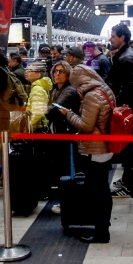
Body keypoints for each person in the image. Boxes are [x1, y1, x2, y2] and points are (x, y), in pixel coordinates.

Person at [49, 64, 116, 243]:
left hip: (95, 148)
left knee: (98, 190)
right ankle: (103, 228)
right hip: (104, 146)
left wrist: (68, 114)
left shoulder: (91, 96)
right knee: (102, 189)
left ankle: (101, 231)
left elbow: (85, 126)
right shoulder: (104, 90)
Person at [105, 24, 133, 197]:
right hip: (129, 105)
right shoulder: (124, 55)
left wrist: (119, 104)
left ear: (122, 38)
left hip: (127, 106)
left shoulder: (126, 58)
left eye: (113, 36)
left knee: (127, 146)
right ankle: (129, 180)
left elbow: (127, 86)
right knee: (127, 145)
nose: (111, 39)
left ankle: (129, 183)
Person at [45, 61, 82, 214]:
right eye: (55, 71)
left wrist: (41, 109)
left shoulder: (69, 91)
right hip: (59, 133)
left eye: (61, 71)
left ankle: (69, 202)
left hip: (68, 135)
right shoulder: (56, 89)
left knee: (68, 168)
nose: (57, 74)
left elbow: (53, 109)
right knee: (62, 168)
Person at [24, 61, 52, 132]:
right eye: (27, 69)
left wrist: (29, 127)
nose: (26, 72)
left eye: (30, 70)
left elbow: (38, 113)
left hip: (37, 128)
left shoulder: (37, 89)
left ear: (38, 75)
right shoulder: (37, 87)